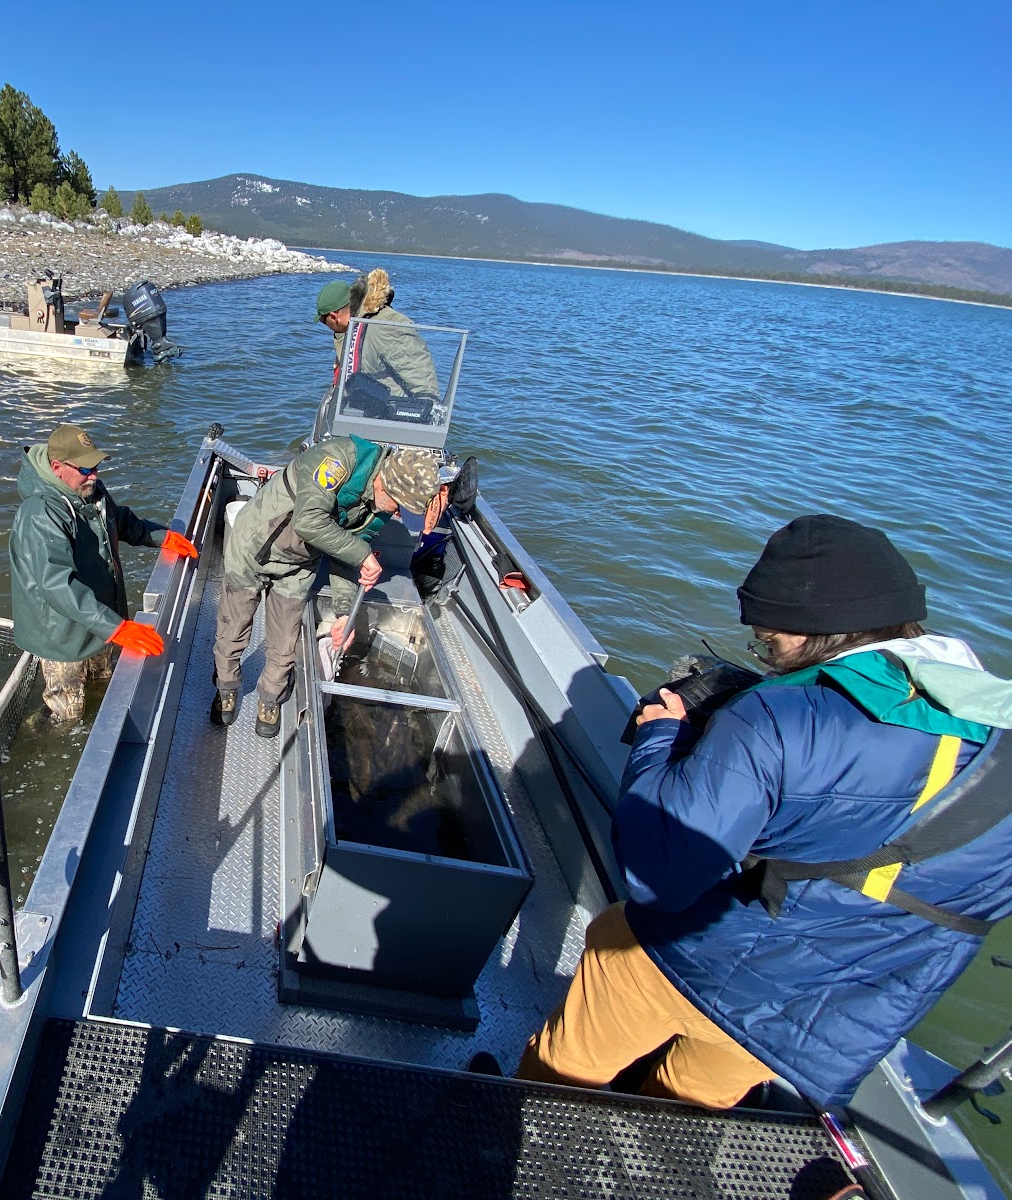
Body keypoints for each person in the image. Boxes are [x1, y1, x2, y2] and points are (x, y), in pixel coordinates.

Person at [515, 514, 1012, 1112]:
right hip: (830, 1008)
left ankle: (522, 1119)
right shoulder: (998, 727)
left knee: (574, 1042)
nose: (768, 657)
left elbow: (659, 873)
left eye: (769, 642)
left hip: (704, 962)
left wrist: (661, 740)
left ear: (809, 632)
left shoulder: (774, 716)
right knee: (693, 1102)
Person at [212, 438, 444, 737]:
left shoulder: (379, 509)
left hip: (299, 564)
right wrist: (363, 556)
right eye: (399, 507)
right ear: (384, 486)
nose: (398, 515)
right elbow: (308, 522)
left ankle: (270, 699)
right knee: (234, 628)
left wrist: (345, 612)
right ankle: (226, 688)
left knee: (285, 642)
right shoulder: (337, 460)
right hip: (254, 547)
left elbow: (346, 556)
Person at [9, 423, 198, 721]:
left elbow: (117, 520)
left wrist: (159, 536)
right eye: (85, 469)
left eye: (95, 466)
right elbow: (57, 584)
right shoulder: (40, 514)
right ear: (57, 467)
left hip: (101, 620)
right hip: (63, 635)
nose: (94, 475)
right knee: (66, 714)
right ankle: (44, 731)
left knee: (102, 685)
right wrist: (117, 628)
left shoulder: (90, 488)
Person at [316, 268, 440, 412]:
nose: (327, 327)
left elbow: (420, 376)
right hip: (363, 412)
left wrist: (428, 413)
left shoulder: (386, 325)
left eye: (324, 322)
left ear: (333, 317)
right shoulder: (350, 328)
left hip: (391, 417)